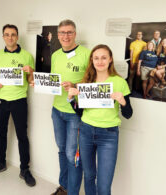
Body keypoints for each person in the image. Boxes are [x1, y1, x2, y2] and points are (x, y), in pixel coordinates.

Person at [67, 44, 133, 195]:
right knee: (89, 176)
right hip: (85, 132)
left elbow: (129, 114)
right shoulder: (86, 82)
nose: (100, 61)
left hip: (108, 136)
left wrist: (123, 101)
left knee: (104, 186)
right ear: (92, 60)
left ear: (110, 59)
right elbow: (80, 112)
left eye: (104, 57)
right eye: (96, 58)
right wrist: (71, 99)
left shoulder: (119, 82)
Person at [0, 24, 36, 187]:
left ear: (17, 36)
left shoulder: (27, 56)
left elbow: (31, 80)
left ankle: (24, 169)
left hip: (19, 100)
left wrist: (31, 73)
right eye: (7, 34)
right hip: (0, 100)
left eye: (13, 34)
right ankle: (0, 163)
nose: (10, 37)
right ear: (3, 37)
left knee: (22, 135)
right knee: (1, 132)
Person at [50, 19, 90, 195]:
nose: (65, 36)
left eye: (69, 32)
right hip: (57, 110)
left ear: (75, 34)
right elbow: (53, 81)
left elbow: (92, 82)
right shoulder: (55, 55)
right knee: (61, 150)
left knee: (72, 155)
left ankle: (72, 192)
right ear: (58, 35)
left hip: (75, 113)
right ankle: (63, 188)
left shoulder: (86, 54)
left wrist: (75, 85)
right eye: (62, 33)